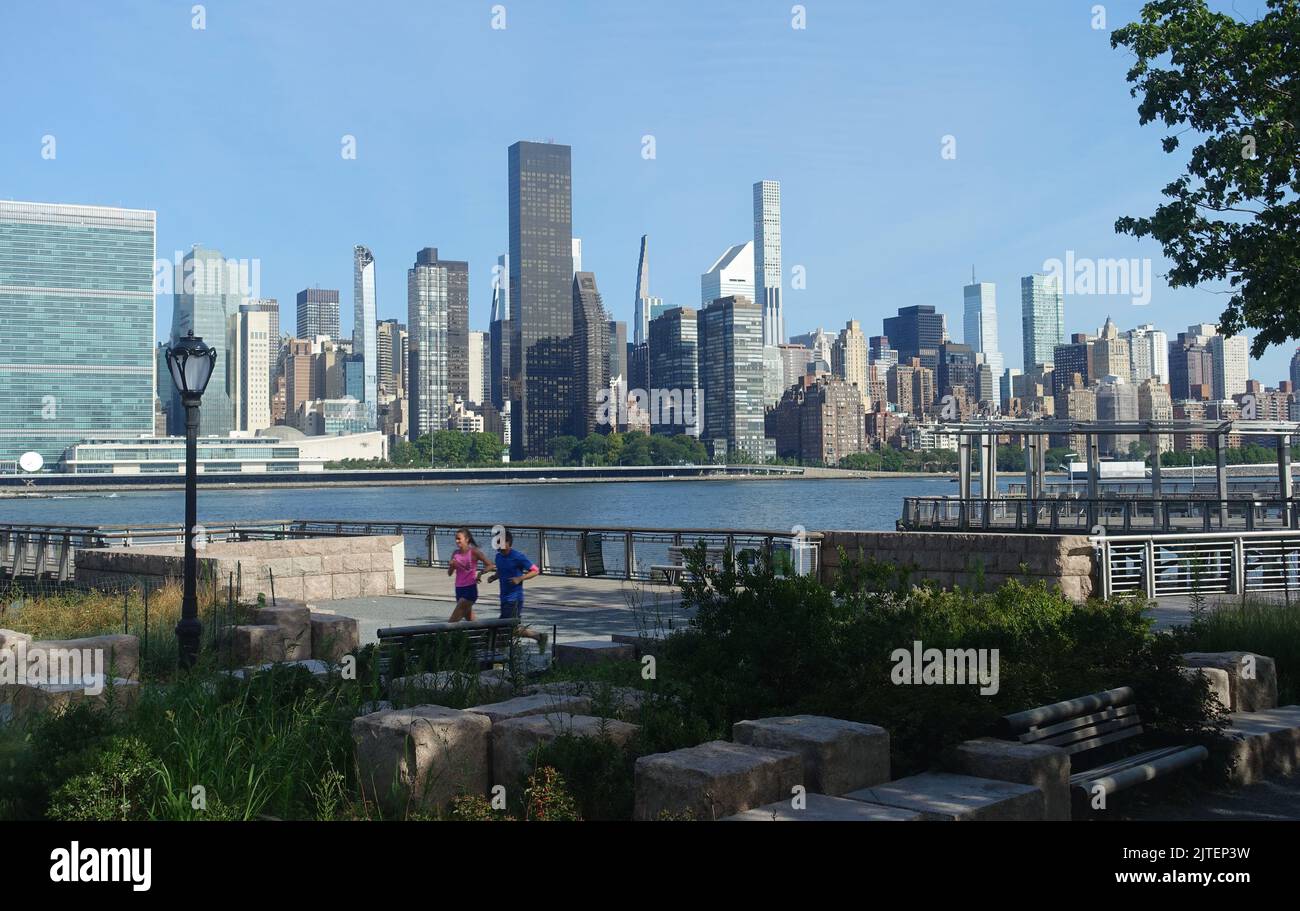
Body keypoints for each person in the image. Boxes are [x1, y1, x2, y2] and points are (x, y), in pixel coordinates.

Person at [485, 528, 548, 653]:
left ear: (508, 542)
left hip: (515, 599)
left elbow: (535, 570)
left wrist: (520, 578)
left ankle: (499, 656)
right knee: (511, 628)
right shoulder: (498, 557)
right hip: (504, 598)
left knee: (503, 629)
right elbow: (501, 570)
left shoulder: (518, 556)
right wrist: (494, 577)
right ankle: (539, 637)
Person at [447, 528, 492, 622]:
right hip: (459, 589)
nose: (457, 541)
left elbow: (490, 565)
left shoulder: (474, 552)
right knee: (471, 621)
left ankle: (444, 635)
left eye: (459, 538)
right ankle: (481, 635)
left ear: (467, 539)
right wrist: (451, 566)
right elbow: (449, 573)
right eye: (456, 539)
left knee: (452, 622)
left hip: (470, 589)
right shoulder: (455, 553)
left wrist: (480, 573)